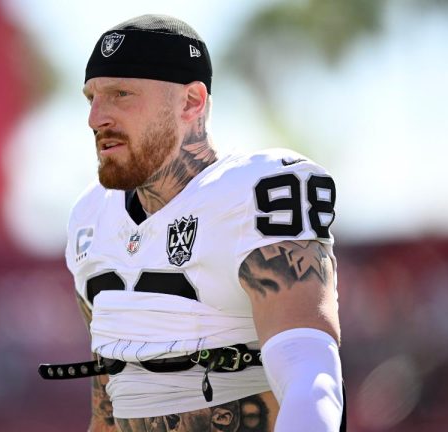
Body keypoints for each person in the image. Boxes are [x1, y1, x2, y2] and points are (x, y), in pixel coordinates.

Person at [39, 14, 344, 431]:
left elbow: (311, 376)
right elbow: (108, 406)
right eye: (91, 96)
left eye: (121, 94)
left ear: (191, 102)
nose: (96, 117)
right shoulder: (90, 217)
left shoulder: (257, 191)